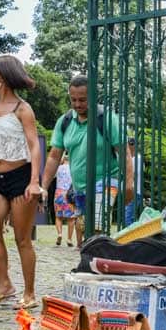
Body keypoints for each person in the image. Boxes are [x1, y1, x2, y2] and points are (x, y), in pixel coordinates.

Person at [0, 55, 43, 309]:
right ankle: (5, 284)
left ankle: (29, 294)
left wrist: (34, 182)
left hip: (21, 177)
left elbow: (33, 146)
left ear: (2, 77)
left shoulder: (22, 109)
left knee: (22, 239)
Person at [41, 75, 134, 238]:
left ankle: (96, 258)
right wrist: (43, 186)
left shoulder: (107, 118)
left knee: (97, 228)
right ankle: (98, 260)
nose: (77, 104)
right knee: (84, 230)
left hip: (106, 181)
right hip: (80, 187)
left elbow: (124, 153)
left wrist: (128, 184)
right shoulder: (65, 121)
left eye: (82, 100)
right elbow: (54, 157)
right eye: (73, 99)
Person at [53, 153, 80, 247]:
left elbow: (53, 177)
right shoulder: (74, 169)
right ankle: (69, 239)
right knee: (71, 218)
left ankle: (59, 234)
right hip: (69, 195)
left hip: (59, 194)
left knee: (58, 217)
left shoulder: (58, 168)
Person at [124, 137, 144, 226]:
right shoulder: (130, 158)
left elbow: (133, 174)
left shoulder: (138, 158)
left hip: (135, 192)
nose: (130, 146)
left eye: (132, 144)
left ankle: (132, 239)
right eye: (129, 144)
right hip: (130, 191)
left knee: (128, 218)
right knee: (128, 217)